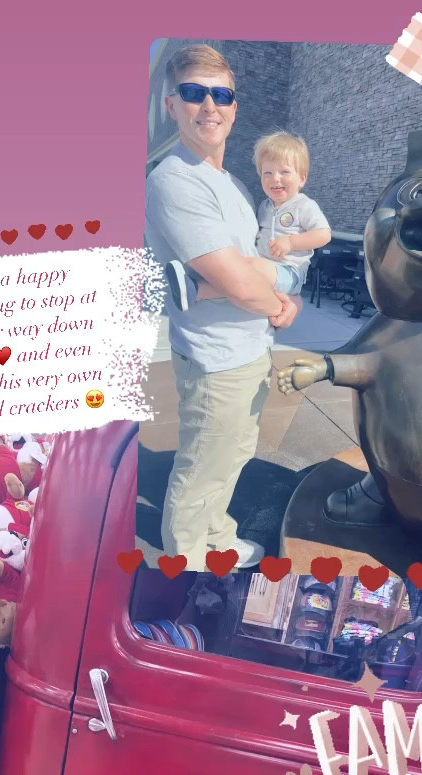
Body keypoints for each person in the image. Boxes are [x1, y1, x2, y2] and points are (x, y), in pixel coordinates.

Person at [145, 44, 302, 571]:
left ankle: (219, 537)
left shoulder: (231, 183)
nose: (209, 105)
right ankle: (186, 562)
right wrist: (270, 295)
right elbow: (237, 278)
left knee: (232, 457)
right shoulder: (175, 180)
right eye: (194, 93)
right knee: (201, 468)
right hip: (216, 360)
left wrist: (274, 293)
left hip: (250, 347)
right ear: (173, 104)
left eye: (221, 94)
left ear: (234, 105)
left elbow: (255, 267)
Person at [167, 131, 331, 309]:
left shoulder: (304, 205)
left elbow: (324, 234)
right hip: (264, 268)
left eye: (284, 171)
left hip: (289, 273)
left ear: (302, 178)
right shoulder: (264, 206)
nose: (275, 178)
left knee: (245, 271)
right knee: (237, 277)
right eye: (267, 173)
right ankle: (195, 290)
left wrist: (291, 242)